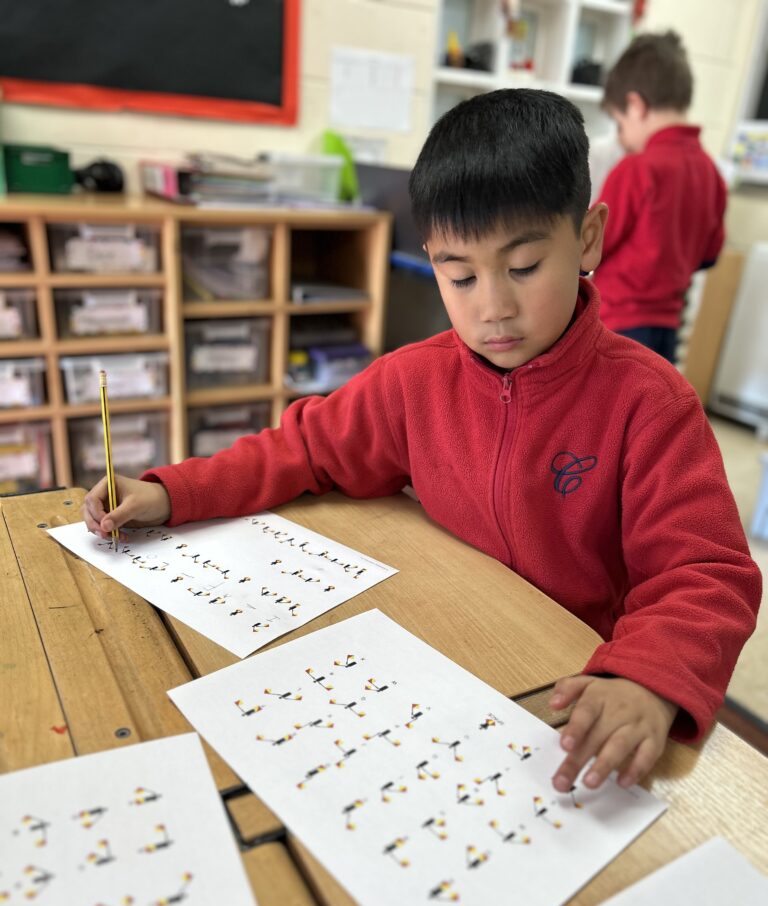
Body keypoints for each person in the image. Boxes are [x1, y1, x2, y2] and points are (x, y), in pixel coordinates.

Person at [84, 89, 760, 798]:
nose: (492, 306)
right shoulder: (413, 380)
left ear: (588, 237)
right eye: (459, 275)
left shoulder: (650, 405)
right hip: (439, 656)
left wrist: (645, 679)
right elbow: (305, 448)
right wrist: (173, 491)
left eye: (523, 267)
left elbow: (707, 574)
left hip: (569, 683)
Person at [591, 31, 727, 362]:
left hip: (616, 326)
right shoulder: (711, 172)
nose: (621, 139)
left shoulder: (636, 169)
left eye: (619, 124)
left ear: (636, 106)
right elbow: (709, 255)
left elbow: (591, 246)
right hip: (667, 331)